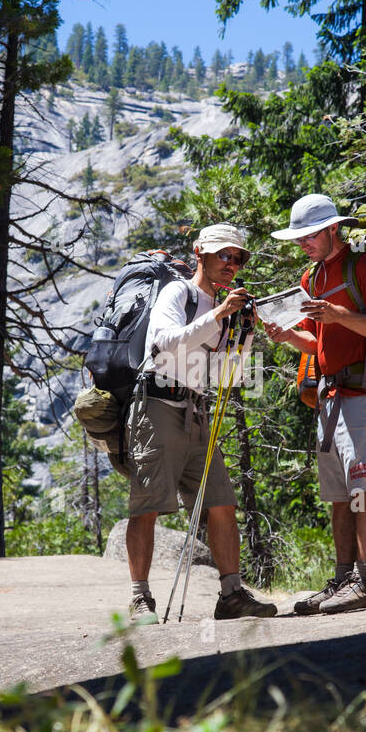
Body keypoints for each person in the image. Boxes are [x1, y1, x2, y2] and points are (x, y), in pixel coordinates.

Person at [125, 223, 278, 622]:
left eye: (239, 257)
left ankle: (231, 595)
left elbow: (230, 376)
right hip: (156, 403)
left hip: (197, 410)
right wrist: (221, 314)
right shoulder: (179, 292)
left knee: (222, 505)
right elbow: (165, 343)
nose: (233, 263)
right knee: (147, 506)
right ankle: (140, 598)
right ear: (200, 254)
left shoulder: (225, 307)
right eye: (224, 255)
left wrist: (244, 334)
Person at [264, 195, 366, 615]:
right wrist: (287, 338)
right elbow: (314, 339)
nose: (302, 243)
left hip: (364, 391)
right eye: (298, 237)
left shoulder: (365, 266)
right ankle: (343, 579)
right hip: (330, 397)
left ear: (332, 229)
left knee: (364, 487)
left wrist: (339, 315)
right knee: (340, 495)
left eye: (309, 235)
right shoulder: (311, 278)